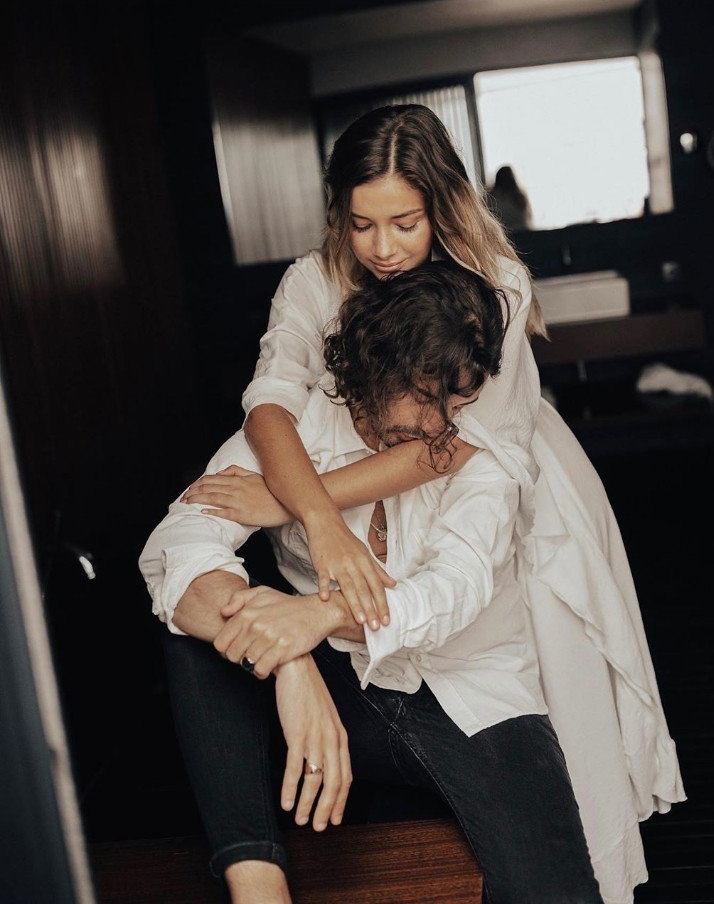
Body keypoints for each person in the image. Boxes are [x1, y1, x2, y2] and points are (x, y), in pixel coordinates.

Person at [179, 104, 685, 902]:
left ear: (441, 206)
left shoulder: (495, 288)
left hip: (491, 477)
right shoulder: (315, 285)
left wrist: (290, 504)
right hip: (357, 497)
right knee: (208, 633)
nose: (382, 249)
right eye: (362, 225)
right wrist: (317, 530)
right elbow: (269, 401)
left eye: (405, 224)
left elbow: (444, 447)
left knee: (539, 696)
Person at [140, 261, 604, 904]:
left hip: (469, 687)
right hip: (343, 684)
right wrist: (291, 658)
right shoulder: (298, 429)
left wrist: (321, 617)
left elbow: (457, 586)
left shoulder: (476, 449)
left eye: (457, 400)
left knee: (557, 893)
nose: (441, 424)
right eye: (424, 396)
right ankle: (257, 884)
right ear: (370, 372)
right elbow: (177, 545)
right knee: (195, 637)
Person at [487, 165, 533, 234]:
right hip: (522, 234)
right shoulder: (519, 197)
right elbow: (526, 218)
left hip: (500, 234)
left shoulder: (491, 197)